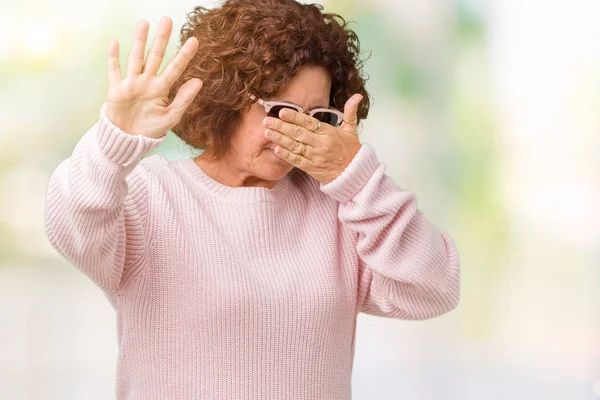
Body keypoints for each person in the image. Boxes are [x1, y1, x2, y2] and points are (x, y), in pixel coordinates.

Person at [43, 0, 460, 398]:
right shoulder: (154, 198)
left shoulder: (341, 209)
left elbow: (433, 288)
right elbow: (70, 229)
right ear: (228, 101)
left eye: (319, 118)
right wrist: (112, 144)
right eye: (281, 112)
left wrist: (357, 178)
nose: (298, 133)